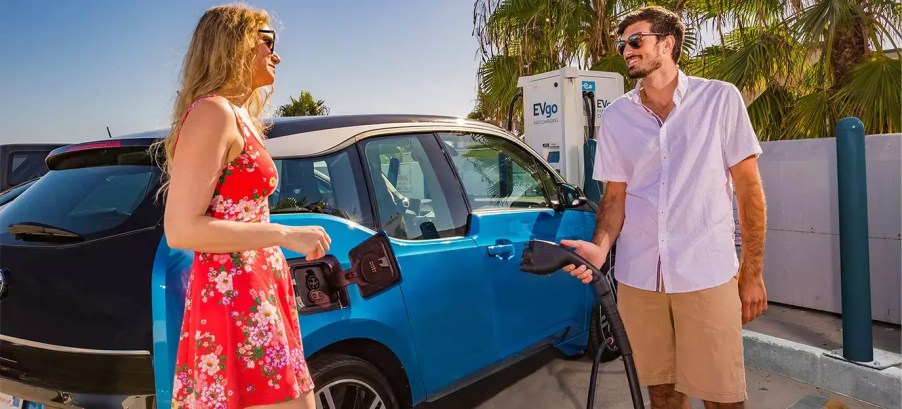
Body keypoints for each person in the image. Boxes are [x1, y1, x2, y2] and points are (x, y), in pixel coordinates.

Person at [561, 6, 768, 409]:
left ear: (668, 43)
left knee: (722, 396)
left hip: (706, 273)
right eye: (622, 43)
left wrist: (752, 272)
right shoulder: (618, 116)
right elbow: (615, 197)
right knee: (661, 393)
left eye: (636, 40)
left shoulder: (720, 99)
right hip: (640, 280)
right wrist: (600, 248)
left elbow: (749, 191)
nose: (626, 49)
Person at [157, 4, 330, 408]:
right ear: (232, 45)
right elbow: (180, 229)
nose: (277, 53)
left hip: (260, 291)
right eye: (267, 40)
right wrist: (285, 235)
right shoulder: (212, 113)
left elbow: (241, 213)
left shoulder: (240, 117)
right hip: (233, 299)